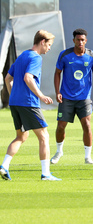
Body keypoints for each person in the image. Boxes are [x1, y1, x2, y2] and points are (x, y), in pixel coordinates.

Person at [0, 30, 60, 181]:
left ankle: (4, 166)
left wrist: (14, 95)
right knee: (44, 135)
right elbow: (28, 78)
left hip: (15, 103)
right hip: (28, 103)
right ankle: (46, 174)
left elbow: (8, 78)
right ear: (42, 42)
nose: (49, 48)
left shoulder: (22, 56)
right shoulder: (35, 57)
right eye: (49, 45)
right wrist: (41, 95)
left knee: (21, 136)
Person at [50, 28, 93, 165]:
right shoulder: (65, 55)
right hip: (67, 97)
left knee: (87, 125)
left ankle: (87, 157)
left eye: (82, 40)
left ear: (86, 41)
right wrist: (57, 92)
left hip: (84, 98)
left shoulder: (92, 56)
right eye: (78, 40)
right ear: (73, 40)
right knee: (61, 126)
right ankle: (59, 151)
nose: (80, 42)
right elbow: (57, 73)